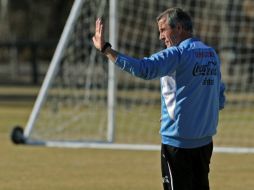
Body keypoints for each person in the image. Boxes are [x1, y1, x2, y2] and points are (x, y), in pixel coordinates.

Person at [92, 7, 225, 190]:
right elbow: (219, 97)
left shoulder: (177, 54)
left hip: (177, 145)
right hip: (204, 143)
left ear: (178, 28)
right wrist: (194, 115)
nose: (161, 37)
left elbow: (144, 69)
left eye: (163, 30)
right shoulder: (211, 54)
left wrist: (107, 50)